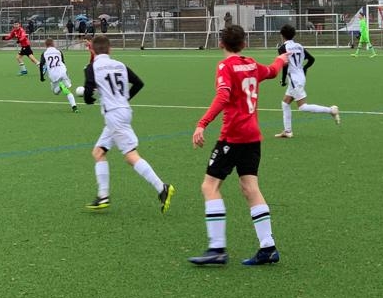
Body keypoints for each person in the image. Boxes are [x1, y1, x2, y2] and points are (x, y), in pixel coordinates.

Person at [189, 25, 289, 266]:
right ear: (244, 44)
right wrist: (281, 59)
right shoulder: (251, 64)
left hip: (233, 136)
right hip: (253, 136)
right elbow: (272, 71)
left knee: (209, 186)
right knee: (250, 187)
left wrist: (202, 123)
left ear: (221, 44)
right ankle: (268, 247)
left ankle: (216, 248)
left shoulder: (226, 66)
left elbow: (223, 95)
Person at [83, 35, 174, 212]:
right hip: (123, 112)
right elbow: (138, 83)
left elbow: (88, 92)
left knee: (130, 156)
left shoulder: (91, 67)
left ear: (92, 50)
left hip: (114, 116)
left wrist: (88, 99)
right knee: (98, 152)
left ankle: (162, 187)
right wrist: (124, 99)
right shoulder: (120, 65)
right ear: (110, 49)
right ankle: (103, 196)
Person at [274, 24, 339, 138]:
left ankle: (331, 110)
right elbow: (311, 59)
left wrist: (283, 80)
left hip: (294, 80)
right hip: (300, 77)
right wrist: (304, 68)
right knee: (285, 103)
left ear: (282, 35)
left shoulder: (282, 48)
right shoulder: (299, 46)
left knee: (302, 106)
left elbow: (285, 65)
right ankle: (287, 131)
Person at [41, 38, 78, 113]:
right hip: (63, 71)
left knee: (55, 92)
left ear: (45, 45)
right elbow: (63, 62)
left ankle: (61, 86)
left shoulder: (44, 53)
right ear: (53, 44)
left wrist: (41, 76)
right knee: (67, 91)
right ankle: (74, 106)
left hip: (53, 74)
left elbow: (41, 65)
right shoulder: (59, 52)